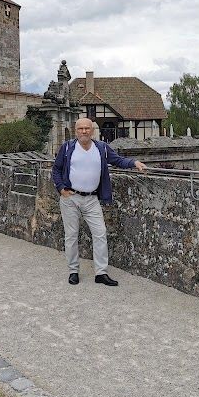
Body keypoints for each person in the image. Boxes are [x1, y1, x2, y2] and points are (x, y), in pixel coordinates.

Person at [52, 118, 146, 286]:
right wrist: (61, 188)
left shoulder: (101, 148)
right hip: (70, 198)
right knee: (71, 235)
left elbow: (118, 160)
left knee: (100, 233)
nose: (84, 131)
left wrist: (134, 163)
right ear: (76, 131)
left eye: (87, 128)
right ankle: (73, 271)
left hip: (91, 199)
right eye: (80, 128)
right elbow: (56, 169)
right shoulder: (67, 148)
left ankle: (101, 273)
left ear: (92, 130)